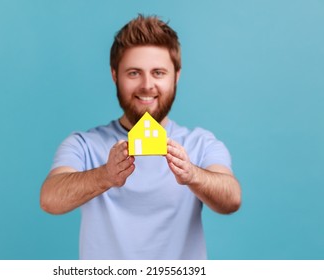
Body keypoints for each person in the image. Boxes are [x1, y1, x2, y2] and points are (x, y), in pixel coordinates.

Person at [40, 14, 241, 260]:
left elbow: (232, 199)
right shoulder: (83, 145)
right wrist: (106, 175)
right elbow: (49, 199)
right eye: (134, 73)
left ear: (176, 76)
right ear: (115, 75)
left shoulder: (201, 143)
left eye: (158, 72)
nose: (147, 85)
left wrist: (192, 174)